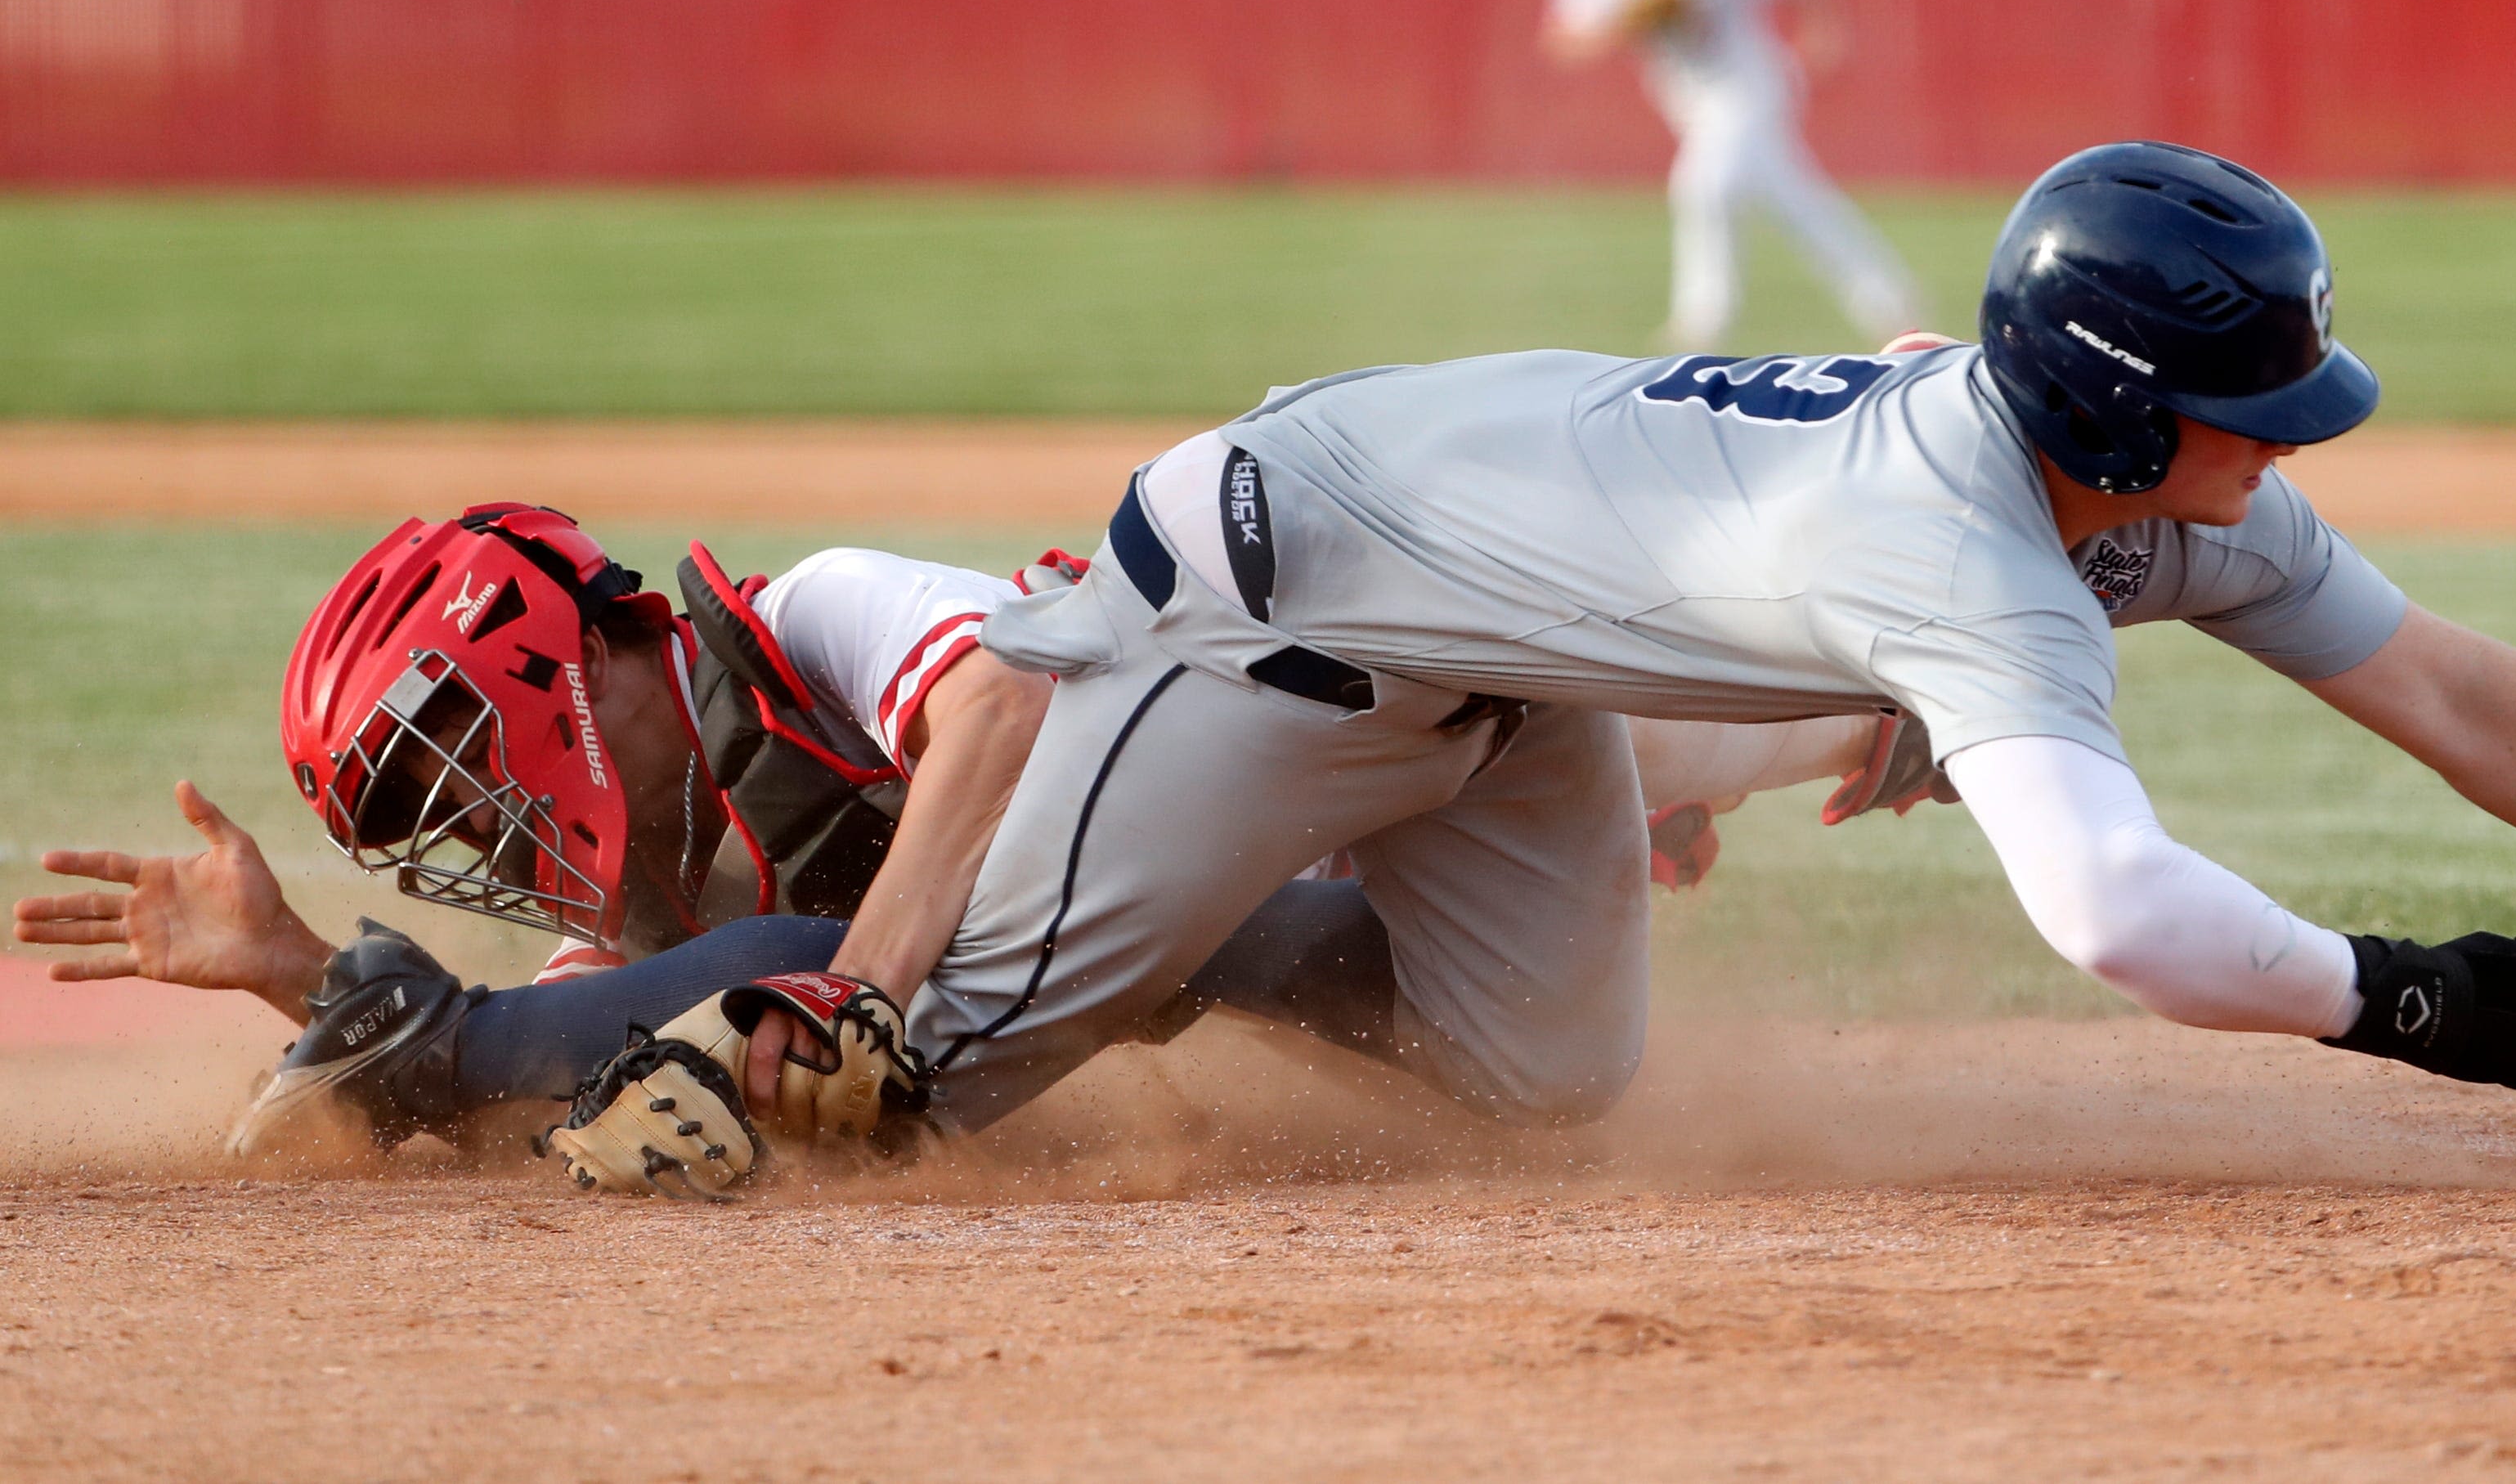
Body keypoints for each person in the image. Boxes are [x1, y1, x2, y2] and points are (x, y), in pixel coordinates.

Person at [673, 138, 2516, 1184]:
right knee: (890, 1101)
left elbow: (2450, 679)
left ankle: (1162, 927)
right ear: (2113, 408)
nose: (2284, 450)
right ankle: (488, 1025)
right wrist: (2420, 994)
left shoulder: (2128, 493)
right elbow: (2113, 910)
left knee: (1533, 1079)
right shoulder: (1971, 548)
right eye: (2251, 407)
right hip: (1259, 603)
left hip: (1495, 677)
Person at [10, 506, 1919, 1155]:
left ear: (551, 665)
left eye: (449, 763)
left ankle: (1873, 593)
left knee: (1688, 715)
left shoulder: (813, 613)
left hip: (1332, 723)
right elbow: (559, 1072)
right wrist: (289, 974)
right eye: (422, 820)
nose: (467, 821)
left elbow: (1002, 701)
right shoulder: (653, 896)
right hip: (1324, 908)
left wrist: (856, 983)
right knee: (1481, 1023)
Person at [1544, 0, 1919, 352]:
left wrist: (1823, 31)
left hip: (1755, 92)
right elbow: (1562, 36)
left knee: (1703, 185)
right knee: (1798, 203)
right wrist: (1626, 21)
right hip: (1693, 108)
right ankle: (1893, 304)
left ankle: (1700, 325)